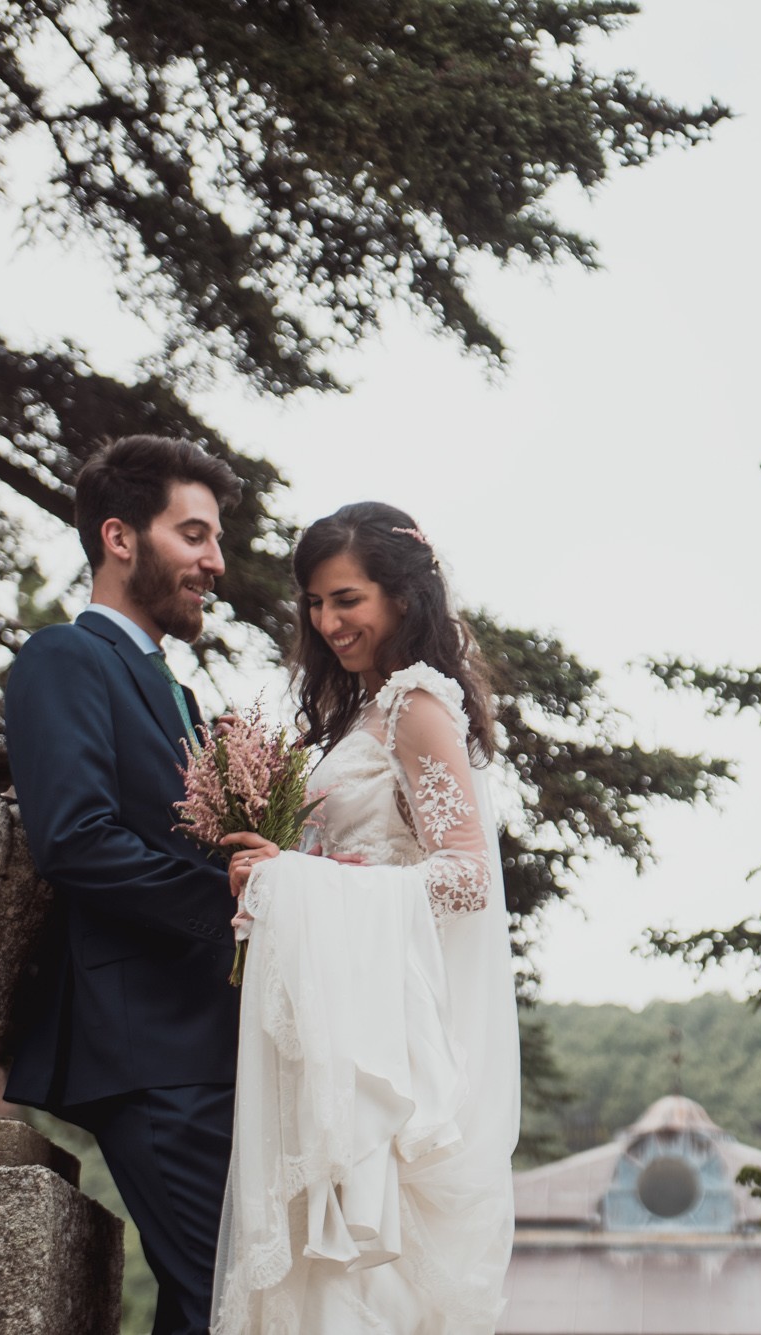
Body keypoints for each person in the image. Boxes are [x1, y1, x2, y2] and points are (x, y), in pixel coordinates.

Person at [210, 503, 521, 1335]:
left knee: (366, 1272)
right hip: (337, 1012)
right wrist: (271, 877)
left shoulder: (416, 705)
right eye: (314, 602)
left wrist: (304, 883)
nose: (328, 621)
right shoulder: (356, 711)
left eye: (346, 598)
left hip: (386, 1028)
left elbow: (466, 877)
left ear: (401, 596)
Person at [5, 435, 244, 1335]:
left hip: (211, 1040)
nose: (215, 561)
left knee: (212, 1300)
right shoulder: (64, 659)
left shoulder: (178, 693)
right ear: (118, 536)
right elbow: (74, 838)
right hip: (146, 1047)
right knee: (228, 1292)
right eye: (195, 535)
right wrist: (237, 894)